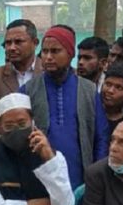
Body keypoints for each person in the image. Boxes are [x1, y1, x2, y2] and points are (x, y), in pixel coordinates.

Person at [23, 25, 109, 188]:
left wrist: (96, 175)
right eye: (45, 52)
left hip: (81, 179)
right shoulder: (28, 90)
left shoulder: (88, 90)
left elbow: (101, 136)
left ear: (70, 54)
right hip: (40, 179)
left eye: (55, 51)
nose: (48, 57)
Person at [0, 19, 42, 148]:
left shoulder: (47, 75)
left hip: (40, 151)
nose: (11, 48)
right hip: (3, 153)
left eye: (18, 42)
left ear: (35, 43)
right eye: (8, 43)